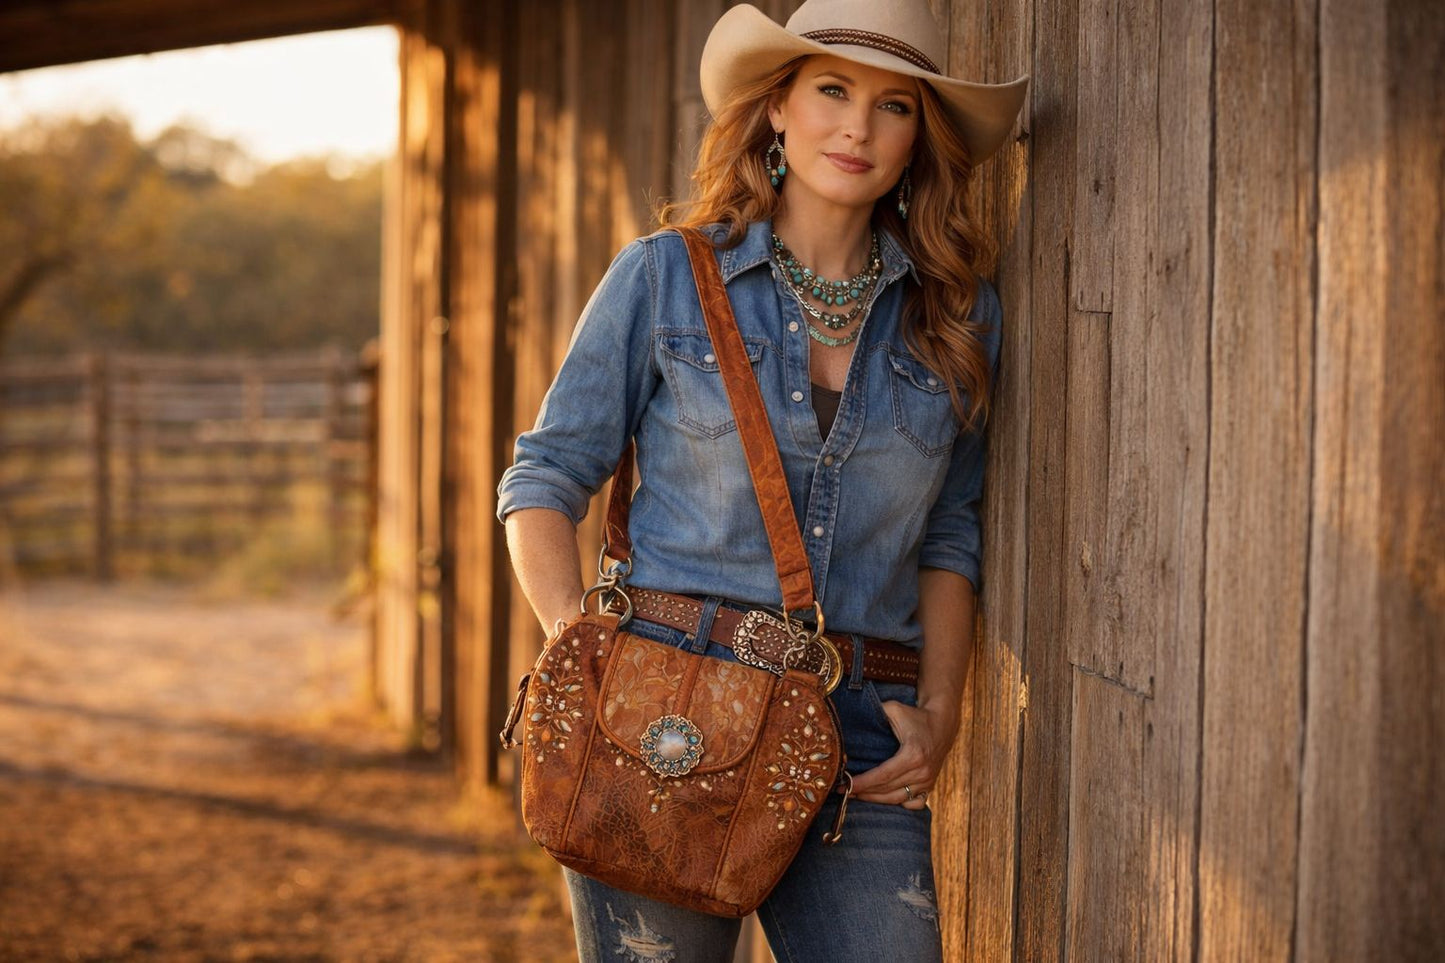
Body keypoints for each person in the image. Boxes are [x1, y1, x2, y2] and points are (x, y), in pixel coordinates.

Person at [496, 1, 1027, 960]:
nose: (857, 127)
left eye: (893, 104)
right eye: (832, 90)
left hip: (859, 739)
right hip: (659, 720)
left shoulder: (955, 317)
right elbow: (543, 476)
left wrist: (941, 714)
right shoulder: (663, 276)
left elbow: (951, 530)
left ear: (920, 136)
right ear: (777, 108)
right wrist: (583, 657)